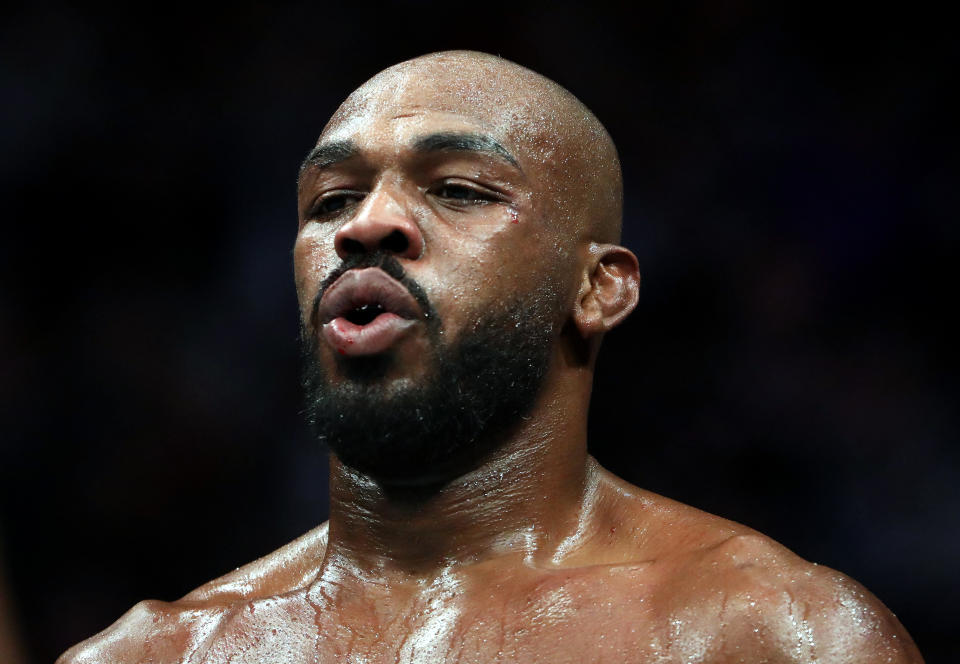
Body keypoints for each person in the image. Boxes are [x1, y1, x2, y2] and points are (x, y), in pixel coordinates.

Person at [59, 50, 923, 663]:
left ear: (600, 290)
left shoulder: (768, 637)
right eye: (331, 200)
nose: (365, 225)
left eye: (459, 190)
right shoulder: (155, 655)